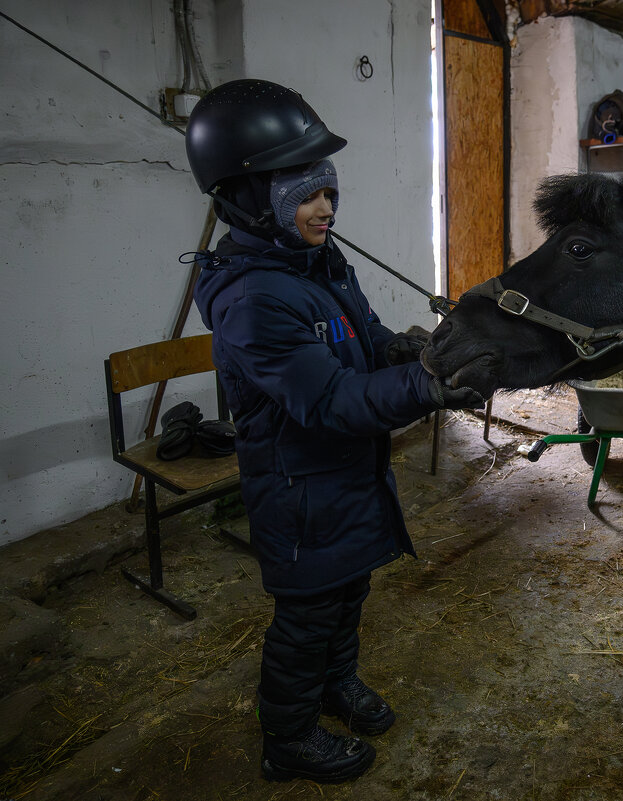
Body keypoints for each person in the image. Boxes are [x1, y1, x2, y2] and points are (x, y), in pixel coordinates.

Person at [184, 78, 486, 785]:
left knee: (348, 592)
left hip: (345, 477)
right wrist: (429, 387)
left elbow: (364, 335)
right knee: (308, 613)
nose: (326, 206)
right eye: (304, 191)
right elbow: (331, 401)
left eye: (328, 188)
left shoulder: (317, 261)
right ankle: (286, 735)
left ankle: (334, 684)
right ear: (251, 197)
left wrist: (412, 351)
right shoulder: (253, 298)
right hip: (299, 488)